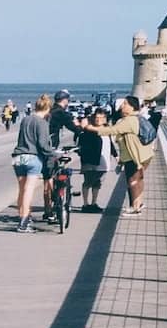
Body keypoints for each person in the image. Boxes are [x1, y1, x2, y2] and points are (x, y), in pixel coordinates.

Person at [10, 95, 62, 233]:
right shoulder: (42, 123)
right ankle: (24, 221)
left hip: (18, 157)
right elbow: (43, 145)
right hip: (32, 158)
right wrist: (54, 154)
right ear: (48, 109)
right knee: (29, 190)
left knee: (21, 190)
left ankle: (22, 216)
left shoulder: (25, 120)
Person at [104, 95, 155, 214]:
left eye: (125, 104)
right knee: (138, 179)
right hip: (143, 155)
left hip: (132, 157)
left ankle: (135, 207)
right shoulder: (140, 118)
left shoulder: (126, 121)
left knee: (133, 181)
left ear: (132, 107)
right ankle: (139, 203)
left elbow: (125, 142)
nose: (122, 106)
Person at [74, 105, 112, 212]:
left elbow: (110, 145)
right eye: (97, 118)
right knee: (88, 182)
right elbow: (83, 144)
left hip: (103, 161)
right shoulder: (89, 130)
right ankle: (85, 204)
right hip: (91, 161)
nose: (99, 120)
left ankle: (94, 203)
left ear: (105, 119)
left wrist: (116, 156)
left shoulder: (107, 130)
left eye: (101, 118)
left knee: (98, 183)